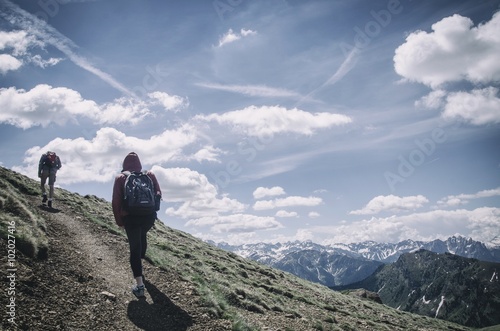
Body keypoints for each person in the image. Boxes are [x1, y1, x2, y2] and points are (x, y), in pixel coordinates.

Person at [112, 152, 161, 298]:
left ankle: (139, 286)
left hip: (131, 218)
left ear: (124, 164)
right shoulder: (149, 175)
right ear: (139, 164)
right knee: (142, 236)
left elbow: (116, 202)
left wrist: (120, 221)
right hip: (148, 217)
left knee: (134, 248)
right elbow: (158, 193)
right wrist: (152, 211)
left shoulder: (121, 178)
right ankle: (139, 264)